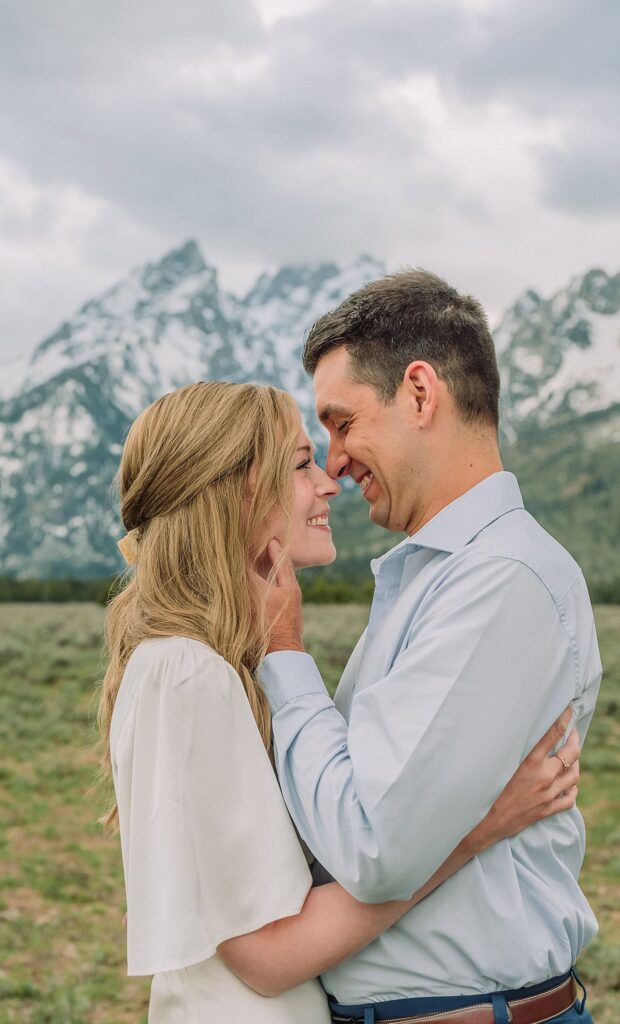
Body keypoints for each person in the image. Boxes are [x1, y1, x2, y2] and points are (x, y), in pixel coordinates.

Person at [98, 380, 582, 1024]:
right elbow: (266, 957)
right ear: (232, 490)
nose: (329, 480)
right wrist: (474, 831)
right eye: (300, 464)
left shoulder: (216, 665)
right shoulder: (187, 671)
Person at [257, 271, 601, 1024]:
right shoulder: (435, 577)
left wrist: (283, 651)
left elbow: (374, 847)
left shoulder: (500, 581)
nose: (335, 463)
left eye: (342, 423)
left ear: (420, 393)